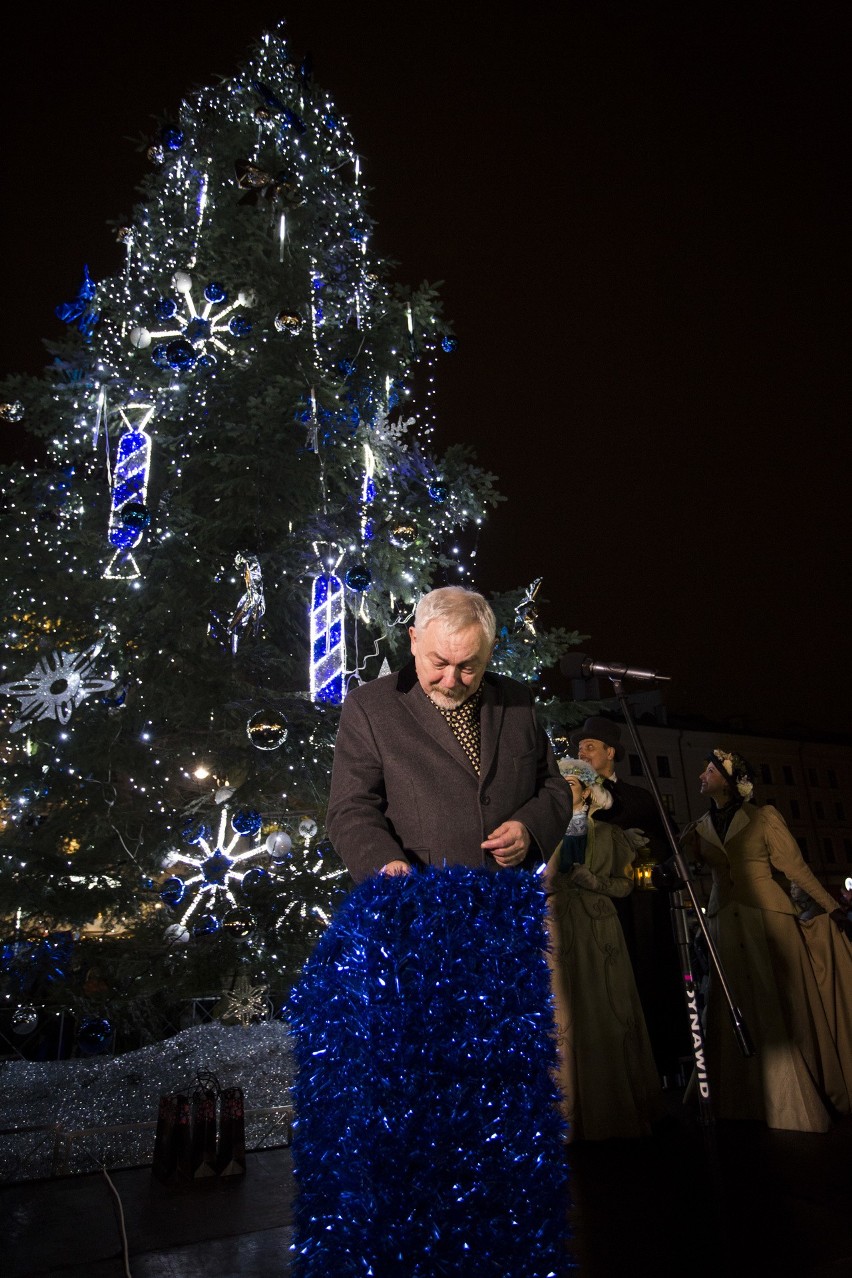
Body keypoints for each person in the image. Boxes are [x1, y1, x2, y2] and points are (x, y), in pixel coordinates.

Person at [327, 586, 570, 882]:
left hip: (507, 903)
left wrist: (529, 828)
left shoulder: (518, 700)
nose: (451, 680)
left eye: (468, 666)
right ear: (414, 641)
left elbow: (554, 788)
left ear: (490, 650)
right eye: (439, 663)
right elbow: (350, 808)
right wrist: (384, 863)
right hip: (420, 902)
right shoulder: (368, 707)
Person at [672, 748, 852, 1132]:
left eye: (709, 770)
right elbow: (683, 870)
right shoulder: (699, 826)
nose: (701, 776)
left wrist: (831, 907)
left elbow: (796, 868)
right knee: (731, 1004)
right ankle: (742, 1100)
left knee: (777, 1000)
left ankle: (794, 1096)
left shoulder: (763, 818)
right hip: (724, 919)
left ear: (730, 779)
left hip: (767, 916)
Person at [545, 758, 663, 1140]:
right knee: (564, 1017)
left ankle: (611, 1111)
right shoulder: (545, 833)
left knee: (602, 1009)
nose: (565, 790)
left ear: (587, 792)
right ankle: (565, 1113)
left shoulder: (610, 837)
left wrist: (592, 880)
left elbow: (624, 886)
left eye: (571, 784)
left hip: (599, 931)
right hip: (558, 928)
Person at [570, 715, 687, 1081]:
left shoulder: (639, 797)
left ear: (611, 752)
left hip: (639, 907)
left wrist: (642, 857)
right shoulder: (575, 798)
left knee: (646, 975)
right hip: (592, 906)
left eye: (590, 747)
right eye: (579, 748)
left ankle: (659, 1064)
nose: (582, 753)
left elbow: (666, 846)